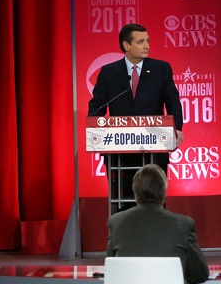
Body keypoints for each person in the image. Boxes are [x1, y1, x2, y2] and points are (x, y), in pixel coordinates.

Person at [88, 23, 184, 210]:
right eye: (140, 42)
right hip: (119, 152)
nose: (147, 46)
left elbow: (173, 102)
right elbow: (97, 105)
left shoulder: (161, 69)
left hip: (154, 149)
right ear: (126, 45)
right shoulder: (109, 72)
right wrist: (95, 130)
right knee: (122, 203)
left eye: (147, 41)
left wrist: (177, 130)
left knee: (154, 203)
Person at [106, 164, 209, 284]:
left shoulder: (116, 222)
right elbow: (200, 275)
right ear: (164, 191)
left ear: (135, 192)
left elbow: (112, 271)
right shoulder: (184, 224)